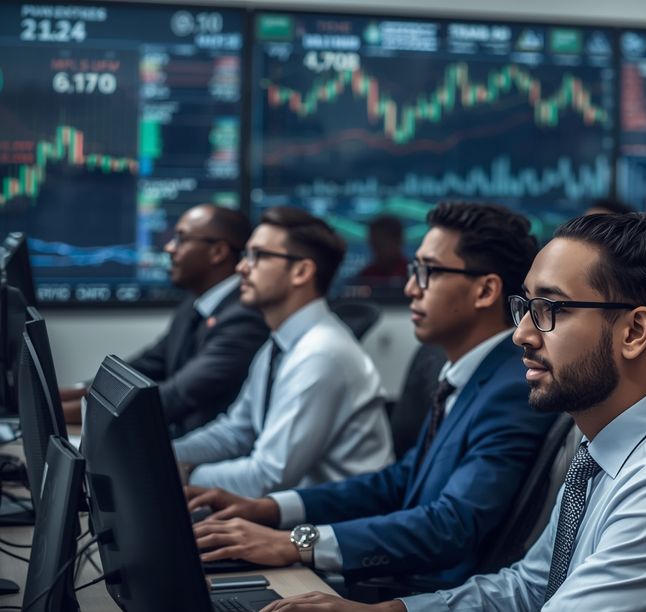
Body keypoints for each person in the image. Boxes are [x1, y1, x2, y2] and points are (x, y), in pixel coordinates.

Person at [262, 213, 646, 611]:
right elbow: (528, 586)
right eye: (525, 307)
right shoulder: (605, 449)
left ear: (635, 332)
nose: (522, 334)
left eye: (551, 310)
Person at [185, 202, 557, 588]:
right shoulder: (465, 373)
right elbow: (400, 481)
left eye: (427, 272)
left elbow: (451, 525)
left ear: (485, 290)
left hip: (428, 592)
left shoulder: (512, 388)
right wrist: (270, 509)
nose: (411, 287)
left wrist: (297, 542)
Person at [173, 206, 394, 498]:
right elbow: (236, 431)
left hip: (331, 528)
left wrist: (185, 474)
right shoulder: (279, 345)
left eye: (259, 256)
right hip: (289, 513)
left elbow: (268, 476)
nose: (241, 268)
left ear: (301, 271)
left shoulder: (320, 355)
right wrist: (167, 455)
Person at [59, 204, 268, 436]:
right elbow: (143, 368)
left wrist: (55, 413)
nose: (169, 248)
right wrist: (69, 393)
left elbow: (175, 396)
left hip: (199, 454)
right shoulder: (195, 304)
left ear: (217, 252)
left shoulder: (244, 318)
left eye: (181, 239)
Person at [357, 215, 409, 281]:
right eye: (373, 242)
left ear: (397, 241)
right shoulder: (365, 277)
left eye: (380, 243)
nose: (375, 248)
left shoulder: (413, 276)